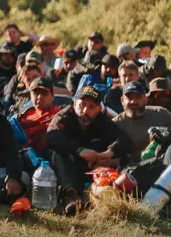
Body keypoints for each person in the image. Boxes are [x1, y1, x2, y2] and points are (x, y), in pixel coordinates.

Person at [44, 86, 133, 215]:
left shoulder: (103, 121)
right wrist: (79, 150)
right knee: (58, 153)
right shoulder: (65, 116)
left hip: (96, 168)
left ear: (98, 109)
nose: (85, 111)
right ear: (74, 104)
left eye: (91, 107)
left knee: (126, 159)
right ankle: (71, 196)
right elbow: (51, 136)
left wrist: (107, 154)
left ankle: (121, 192)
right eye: (81, 105)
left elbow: (125, 140)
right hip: (70, 167)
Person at [111, 81, 171, 162]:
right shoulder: (115, 124)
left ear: (145, 99)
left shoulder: (162, 113)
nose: (133, 102)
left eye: (138, 97)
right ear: (122, 100)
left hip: (166, 164)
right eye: (129, 98)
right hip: (131, 170)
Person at [17, 77, 64, 152]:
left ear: (52, 96)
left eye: (44, 94)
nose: (39, 97)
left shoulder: (61, 113)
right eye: (35, 93)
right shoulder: (22, 115)